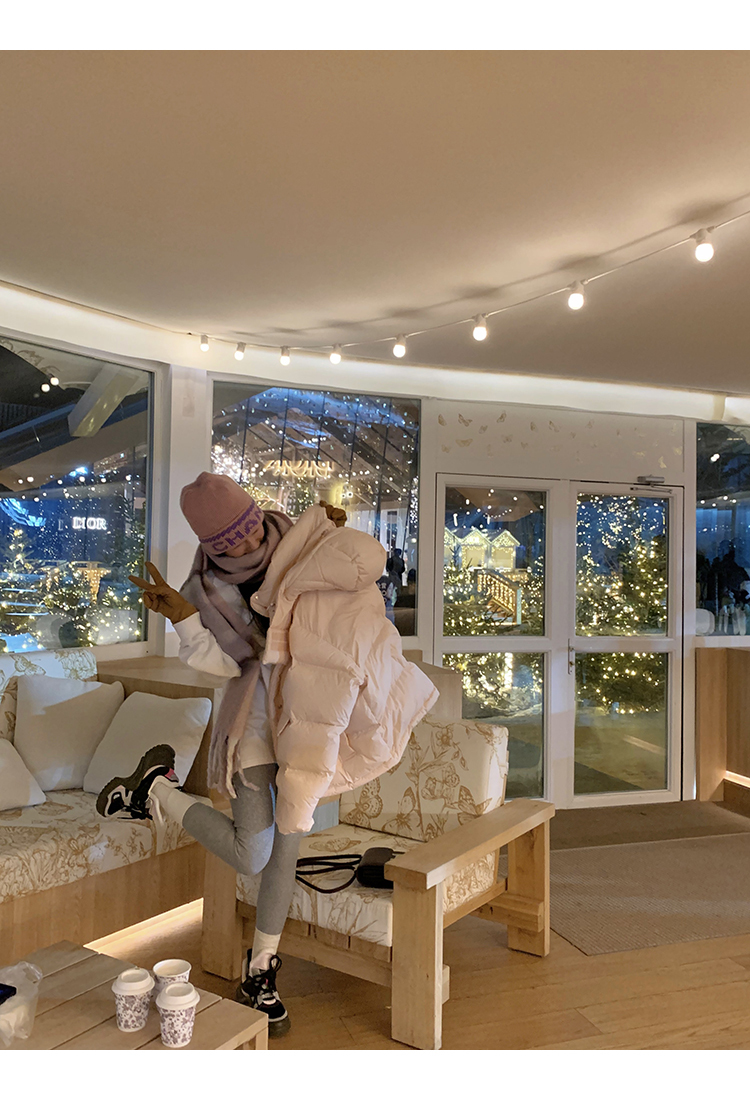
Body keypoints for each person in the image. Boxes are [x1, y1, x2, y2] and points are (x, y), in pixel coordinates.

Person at [96, 472, 438, 1037]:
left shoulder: (304, 542)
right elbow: (224, 664)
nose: (249, 541)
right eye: (231, 540)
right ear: (211, 545)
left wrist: (334, 538)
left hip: (306, 716)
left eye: (250, 526)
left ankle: (261, 972)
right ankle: (155, 787)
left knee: (287, 847)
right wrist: (183, 616)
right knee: (253, 852)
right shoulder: (205, 589)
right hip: (254, 723)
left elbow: (356, 592)